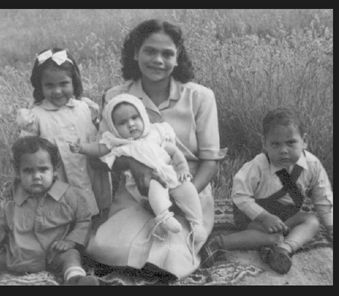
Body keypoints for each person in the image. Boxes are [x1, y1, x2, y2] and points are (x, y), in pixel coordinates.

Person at [85, 19, 227, 280]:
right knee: (109, 248)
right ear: (136, 52)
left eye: (167, 53)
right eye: (150, 51)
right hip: (136, 190)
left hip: (187, 187)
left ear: (178, 56)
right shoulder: (117, 96)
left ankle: (183, 246)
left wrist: (180, 198)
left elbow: (210, 161)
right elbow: (100, 158)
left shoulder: (200, 97)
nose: (158, 60)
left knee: (169, 255)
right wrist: (132, 165)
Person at [0, 136, 99, 285]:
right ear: (18, 173)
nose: (36, 176)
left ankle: (76, 279)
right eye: (28, 171)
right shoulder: (11, 200)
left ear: (54, 170)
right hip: (17, 255)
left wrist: (71, 240)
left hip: (54, 254)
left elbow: (83, 219)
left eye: (43, 169)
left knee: (71, 256)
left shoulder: (68, 195)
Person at [202, 107, 333, 274]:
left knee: (311, 221)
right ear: (265, 144)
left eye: (291, 142)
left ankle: (283, 250)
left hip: (285, 215)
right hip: (253, 215)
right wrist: (265, 217)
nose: (283, 150)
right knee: (273, 236)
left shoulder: (312, 165)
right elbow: (240, 196)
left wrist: (331, 226)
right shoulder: (257, 166)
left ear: (304, 141)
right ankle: (219, 243)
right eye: (275, 144)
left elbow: (323, 198)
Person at [70, 93, 208, 243]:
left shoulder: (155, 133)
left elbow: (174, 152)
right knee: (156, 190)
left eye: (135, 118)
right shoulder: (120, 144)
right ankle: (164, 217)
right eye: (123, 123)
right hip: (146, 182)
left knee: (188, 189)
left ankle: (196, 222)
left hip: (171, 173)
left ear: (143, 117)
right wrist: (81, 148)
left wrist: (182, 169)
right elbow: (99, 150)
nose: (131, 124)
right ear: (115, 128)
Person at [16, 47, 111, 218]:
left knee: (98, 209)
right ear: (40, 86)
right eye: (49, 85)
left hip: (90, 170)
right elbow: (25, 151)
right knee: (66, 213)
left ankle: (98, 226)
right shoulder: (36, 116)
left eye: (63, 84)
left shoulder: (86, 108)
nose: (57, 91)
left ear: (74, 82)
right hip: (61, 178)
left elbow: (99, 137)